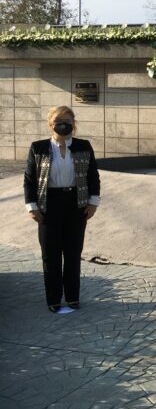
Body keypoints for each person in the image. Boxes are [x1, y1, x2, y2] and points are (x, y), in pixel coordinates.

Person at [24, 106, 100, 313]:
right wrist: (31, 207)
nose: (63, 124)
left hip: (76, 204)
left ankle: (73, 298)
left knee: (73, 253)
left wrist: (93, 202)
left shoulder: (83, 146)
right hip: (48, 205)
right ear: (50, 124)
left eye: (67, 120)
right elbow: (29, 180)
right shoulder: (38, 147)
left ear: (74, 123)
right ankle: (54, 300)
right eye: (58, 120)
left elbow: (93, 176)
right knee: (50, 254)